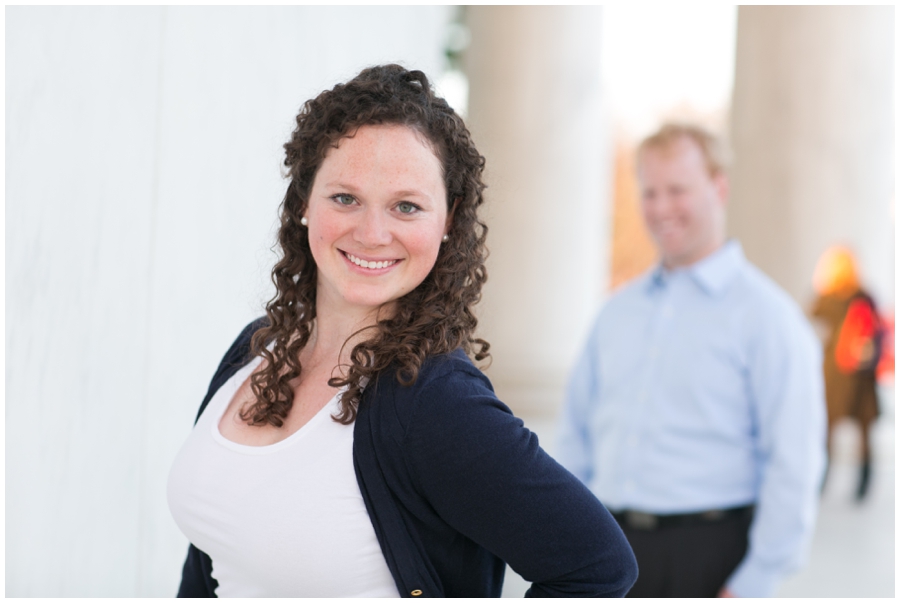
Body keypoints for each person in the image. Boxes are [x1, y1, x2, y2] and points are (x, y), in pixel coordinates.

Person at [167, 64, 637, 598]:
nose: (371, 233)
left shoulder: (435, 403)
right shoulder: (257, 349)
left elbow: (596, 566)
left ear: (447, 222)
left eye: (406, 206)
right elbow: (210, 556)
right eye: (345, 198)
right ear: (303, 201)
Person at [557, 123, 826, 598]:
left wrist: (753, 582)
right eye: (650, 192)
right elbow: (576, 434)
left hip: (712, 557)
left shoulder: (768, 317)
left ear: (719, 187)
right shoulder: (615, 313)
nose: (661, 208)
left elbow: (794, 460)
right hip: (611, 550)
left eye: (677, 190)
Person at [810, 246, 882, 500]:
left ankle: (821, 480)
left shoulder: (827, 298)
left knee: (827, 429)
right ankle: (863, 486)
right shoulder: (865, 296)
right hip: (861, 374)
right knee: (863, 431)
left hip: (836, 373)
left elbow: (811, 325)